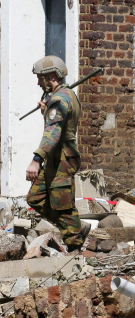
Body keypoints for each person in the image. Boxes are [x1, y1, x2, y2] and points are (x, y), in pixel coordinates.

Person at [26, 56, 89, 251]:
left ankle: (74, 248)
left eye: (40, 78)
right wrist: (47, 111)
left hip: (62, 159)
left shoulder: (60, 98)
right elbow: (60, 122)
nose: (38, 82)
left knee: (63, 205)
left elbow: (53, 133)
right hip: (57, 157)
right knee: (34, 198)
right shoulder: (65, 96)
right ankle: (74, 227)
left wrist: (36, 160)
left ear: (51, 76)